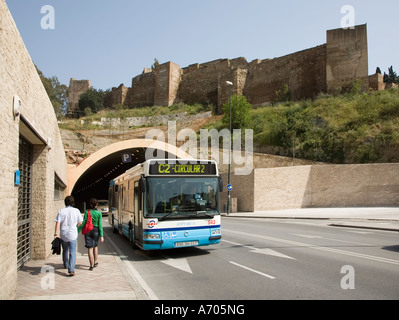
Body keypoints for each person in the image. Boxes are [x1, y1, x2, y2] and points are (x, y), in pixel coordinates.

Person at [54, 195, 83, 276]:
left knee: (65, 250)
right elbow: (80, 222)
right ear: (73, 202)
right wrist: (76, 226)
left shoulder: (61, 211)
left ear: (65, 203)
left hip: (64, 234)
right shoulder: (76, 211)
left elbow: (58, 222)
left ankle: (65, 264)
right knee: (72, 252)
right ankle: (71, 269)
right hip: (73, 234)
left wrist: (55, 233)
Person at [78, 198, 104, 270]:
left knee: (90, 248)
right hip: (96, 230)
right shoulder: (99, 213)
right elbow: (100, 225)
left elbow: (84, 223)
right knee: (95, 246)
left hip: (88, 231)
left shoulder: (87, 212)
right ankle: (96, 262)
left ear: (90, 204)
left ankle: (91, 265)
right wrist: (101, 235)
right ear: (96, 205)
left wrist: (77, 230)